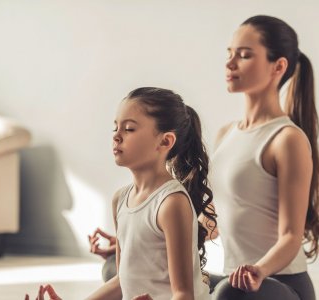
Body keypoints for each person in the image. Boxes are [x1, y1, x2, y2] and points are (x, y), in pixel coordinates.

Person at [26, 87, 217, 300]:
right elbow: (121, 281)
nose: (117, 136)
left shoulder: (171, 203)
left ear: (165, 142)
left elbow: (183, 294)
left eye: (129, 129)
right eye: (115, 127)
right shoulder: (120, 199)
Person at [206, 15, 319, 300]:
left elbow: (290, 236)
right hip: (235, 282)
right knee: (127, 270)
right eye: (230, 54)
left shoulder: (287, 139)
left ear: (279, 66)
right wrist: (137, 242)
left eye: (245, 55)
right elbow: (211, 224)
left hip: (282, 284)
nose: (230, 63)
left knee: (228, 293)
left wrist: (259, 271)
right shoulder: (226, 134)